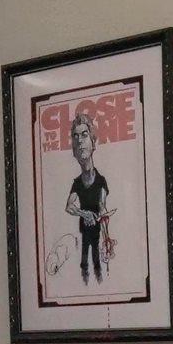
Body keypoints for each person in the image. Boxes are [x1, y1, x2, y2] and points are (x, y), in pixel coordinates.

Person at [65, 110, 113, 283]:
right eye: (75, 136)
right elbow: (69, 206)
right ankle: (85, 282)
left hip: (97, 230)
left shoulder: (101, 181)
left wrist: (107, 238)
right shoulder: (77, 183)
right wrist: (84, 213)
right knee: (84, 262)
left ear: (93, 143)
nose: (79, 140)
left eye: (84, 135)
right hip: (84, 230)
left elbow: (103, 208)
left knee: (96, 262)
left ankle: (99, 283)